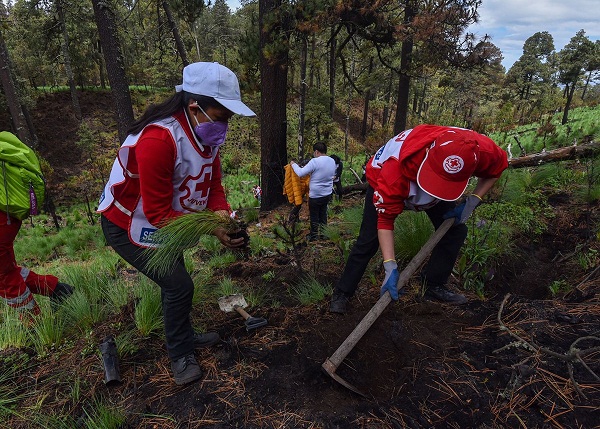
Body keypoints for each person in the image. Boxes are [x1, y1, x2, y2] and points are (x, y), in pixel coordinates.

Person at [98, 61, 255, 385]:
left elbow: (213, 187)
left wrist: (221, 213)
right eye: (222, 115)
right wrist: (212, 227)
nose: (225, 124)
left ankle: (184, 333)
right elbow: (156, 214)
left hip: (169, 222)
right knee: (178, 284)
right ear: (195, 105)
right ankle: (181, 354)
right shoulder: (159, 138)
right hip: (129, 225)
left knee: (179, 281)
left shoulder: (205, 133)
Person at [329, 125, 508, 314]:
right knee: (368, 241)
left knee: (455, 230)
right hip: (392, 177)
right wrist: (390, 265)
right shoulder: (394, 172)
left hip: (432, 177)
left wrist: (473, 201)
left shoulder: (480, 150)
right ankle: (343, 292)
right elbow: (385, 221)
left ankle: (433, 284)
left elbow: (498, 167)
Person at [0, 212, 73, 323]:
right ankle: (57, 289)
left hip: (4, 217)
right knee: (9, 272)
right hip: (6, 216)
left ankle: (32, 322)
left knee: (4, 278)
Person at [290, 142, 337, 241]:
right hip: (327, 193)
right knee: (323, 214)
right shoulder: (332, 161)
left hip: (316, 194)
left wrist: (293, 165)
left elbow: (301, 173)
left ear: (316, 152)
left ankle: (314, 235)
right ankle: (324, 233)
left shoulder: (314, 161)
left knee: (314, 215)